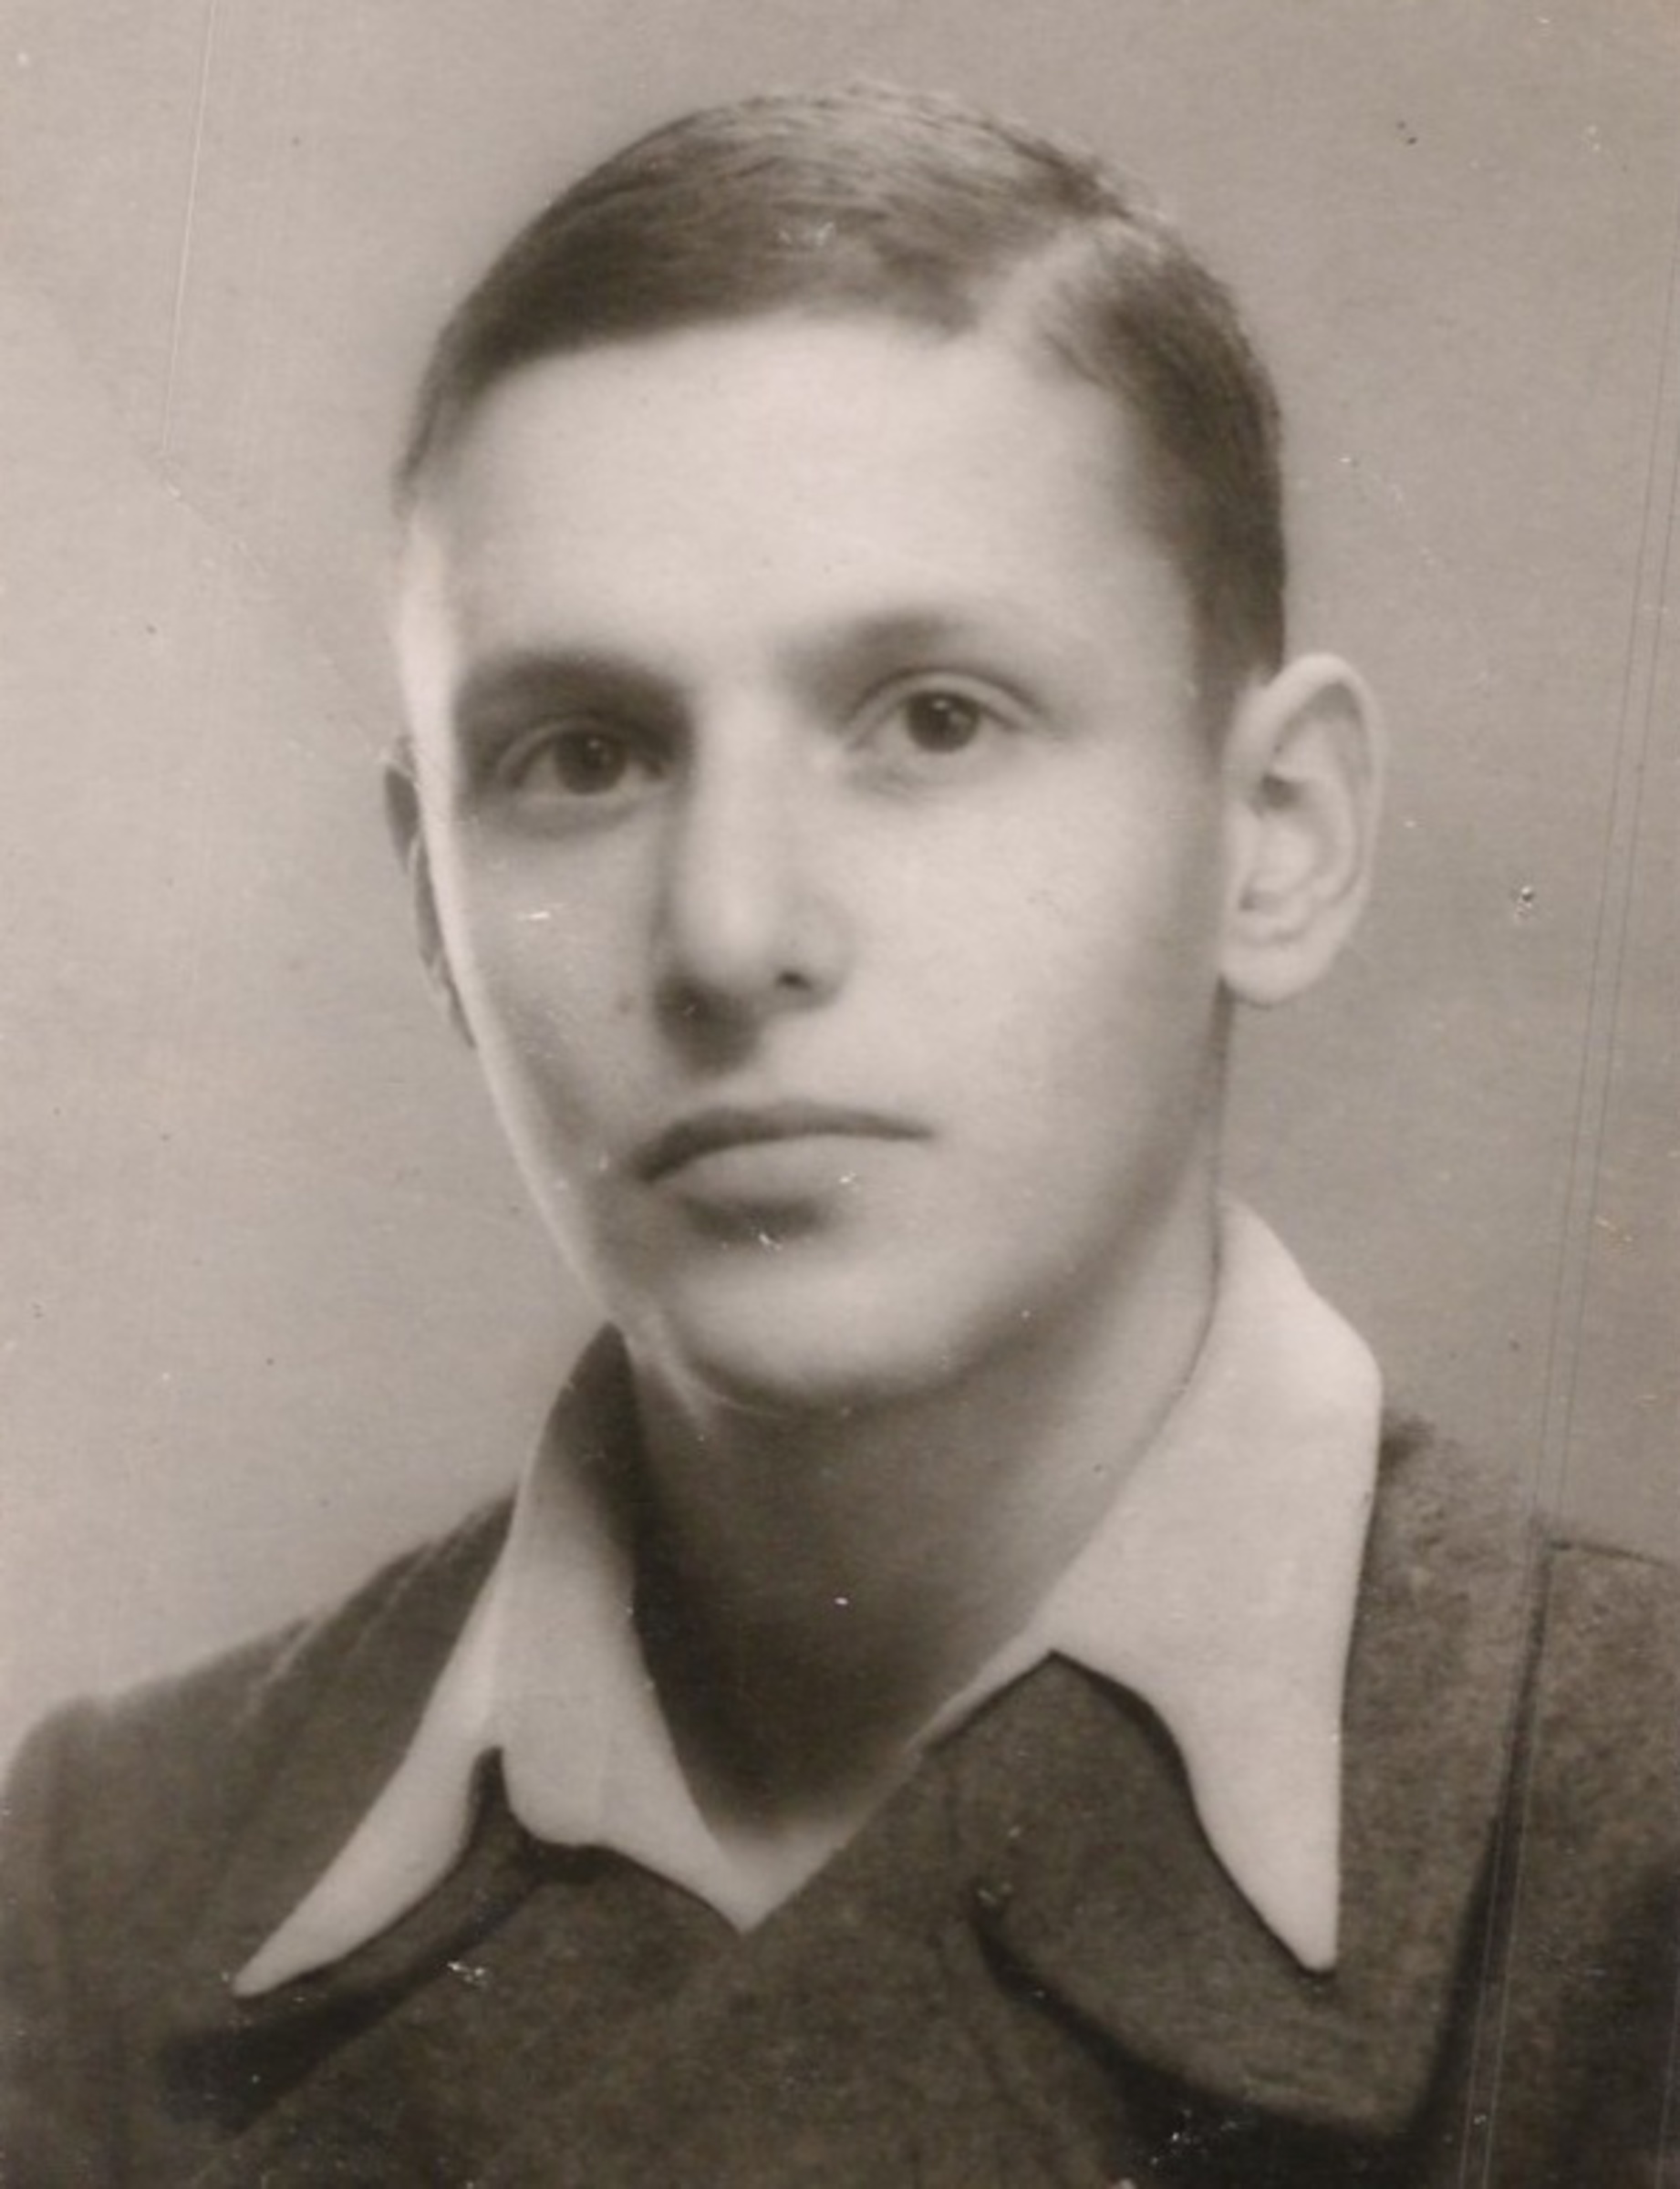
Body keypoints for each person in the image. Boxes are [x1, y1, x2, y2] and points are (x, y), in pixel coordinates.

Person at [1, 82, 1674, 2188]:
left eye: (934, 720)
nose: (731, 934)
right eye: (582, 757)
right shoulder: (108, 1887)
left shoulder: (1623, 1859)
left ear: (1276, 838)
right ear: (435, 900)